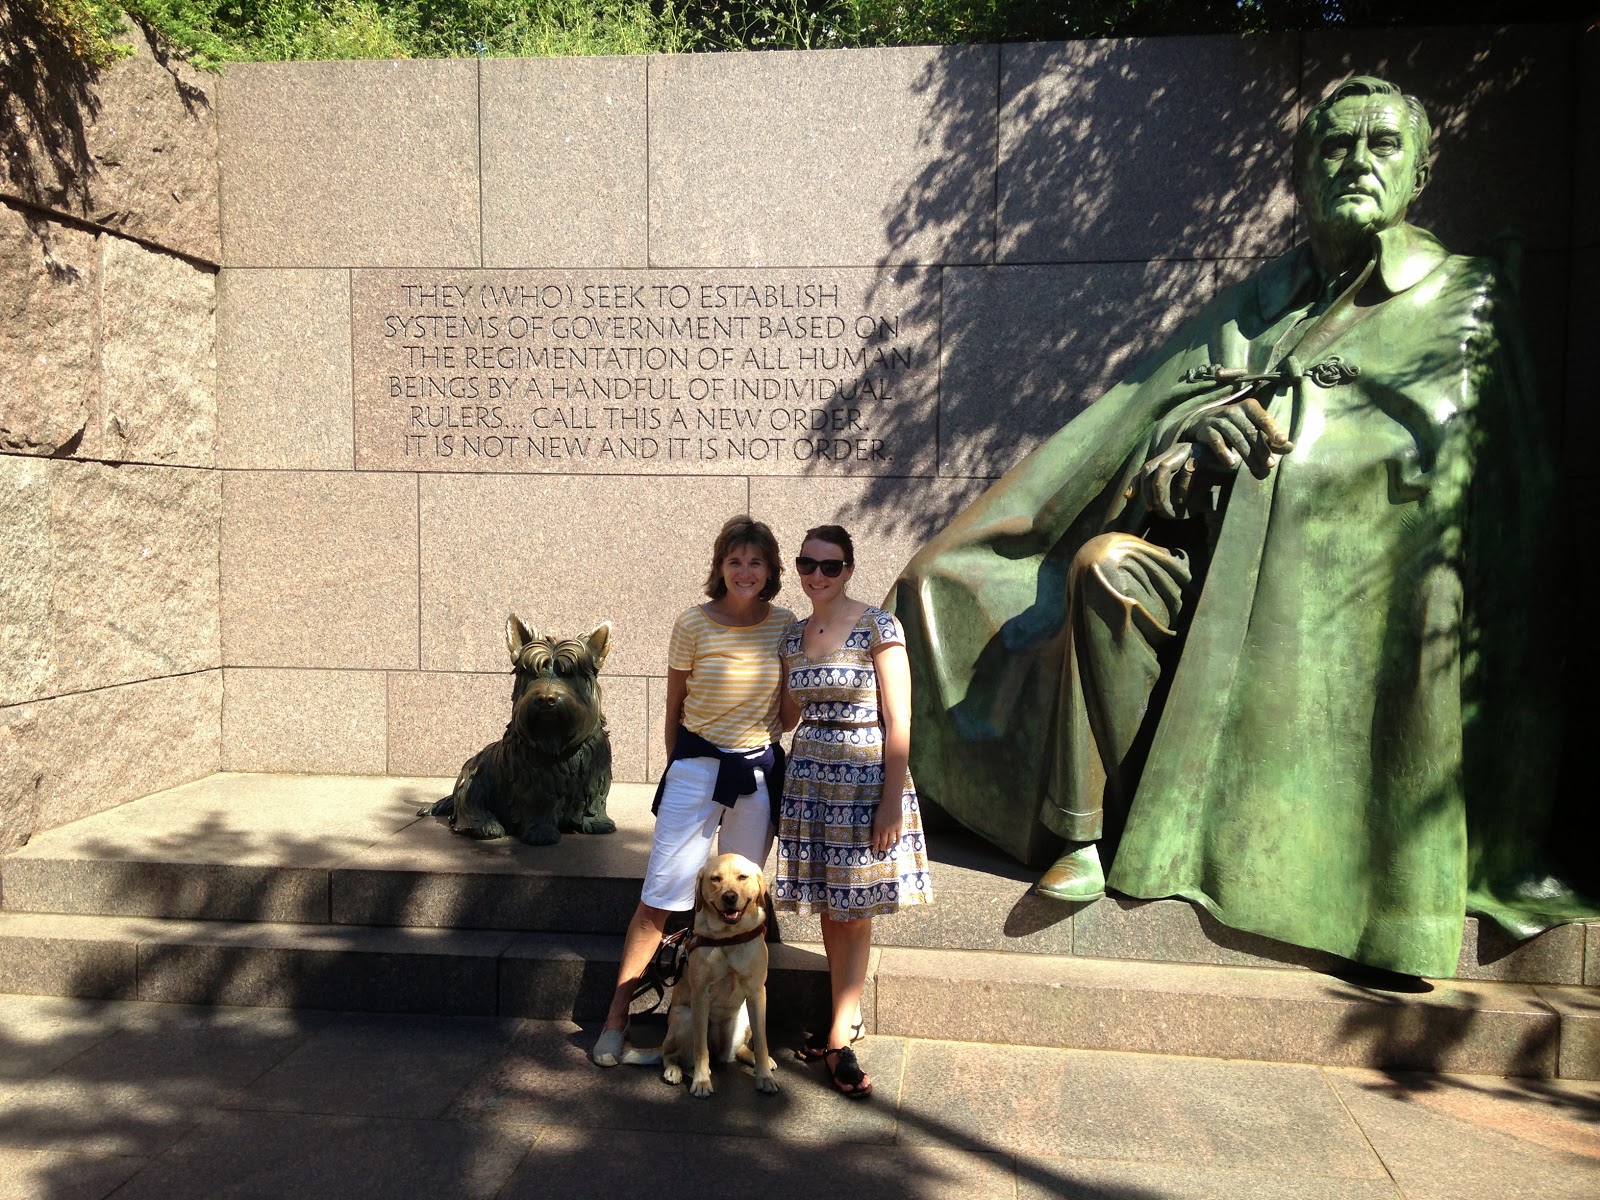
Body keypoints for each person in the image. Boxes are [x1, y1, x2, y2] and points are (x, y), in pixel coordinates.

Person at [893, 76, 1593, 979]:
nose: (1357, 162)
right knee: (1090, 567)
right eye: (1335, 146)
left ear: (1420, 174)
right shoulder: (1259, 301)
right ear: (1301, 175)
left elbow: (1472, 474)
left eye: (1383, 145)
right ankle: (1079, 831)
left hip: (1346, 604)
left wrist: (1296, 447)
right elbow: (1148, 429)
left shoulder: (1464, 295)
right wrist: (1189, 451)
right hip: (1206, 571)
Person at [592, 515, 794, 1066]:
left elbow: (789, 716)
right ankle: (616, 1021)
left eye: (756, 562)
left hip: (755, 775)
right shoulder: (692, 623)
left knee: (743, 902)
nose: (745, 571)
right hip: (698, 767)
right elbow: (674, 705)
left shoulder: (785, 625)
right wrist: (679, 767)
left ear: (771, 570)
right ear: (720, 566)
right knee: (661, 896)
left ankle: (737, 1032)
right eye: (735, 561)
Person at [774, 525, 932, 1096]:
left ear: (849, 569)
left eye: (830, 566)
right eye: (807, 564)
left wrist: (891, 801)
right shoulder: (791, 636)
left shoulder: (878, 626)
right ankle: (848, 1015)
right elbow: (787, 716)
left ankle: (840, 1033)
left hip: (864, 782)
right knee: (830, 902)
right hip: (810, 781)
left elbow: (899, 717)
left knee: (854, 907)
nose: (817, 575)